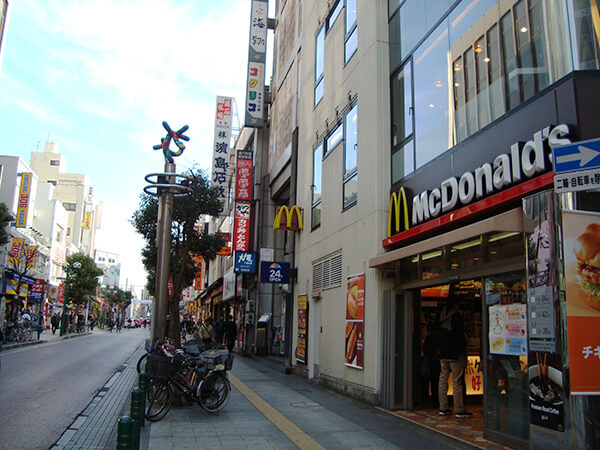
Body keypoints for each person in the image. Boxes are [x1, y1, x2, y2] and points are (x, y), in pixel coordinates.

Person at [438, 294, 471, 418]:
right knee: (457, 381)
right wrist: (462, 351)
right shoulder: (456, 316)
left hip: (443, 353)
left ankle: (443, 407)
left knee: (443, 380)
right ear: (456, 304)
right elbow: (460, 337)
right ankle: (459, 409)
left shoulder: (442, 316)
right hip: (455, 354)